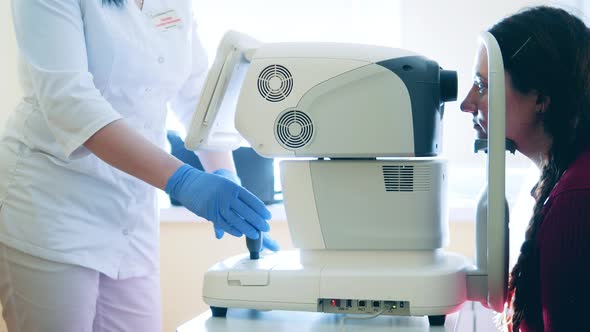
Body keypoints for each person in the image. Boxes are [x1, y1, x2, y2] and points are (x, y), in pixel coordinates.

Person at [0, 0, 278, 331]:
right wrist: (184, 181)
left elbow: (196, 95)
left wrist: (225, 174)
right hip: (52, 208)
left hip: (131, 216)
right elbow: (70, 103)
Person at [460, 6, 590, 332]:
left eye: (483, 85)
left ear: (540, 98)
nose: (467, 103)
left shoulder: (575, 199)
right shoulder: (562, 183)